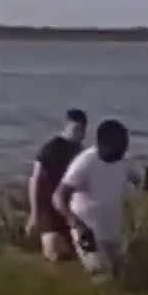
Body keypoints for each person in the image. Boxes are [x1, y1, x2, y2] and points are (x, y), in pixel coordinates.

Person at [52, 119, 148, 280]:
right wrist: (77, 225)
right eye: (120, 145)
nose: (124, 149)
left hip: (113, 233)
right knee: (104, 279)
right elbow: (59, 197)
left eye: (125, 144)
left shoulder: (123, 160)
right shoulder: (85, 162)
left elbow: (143, 186)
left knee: (123, 277)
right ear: (103, 144)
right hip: (88, 234)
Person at [27, 108, 88, 261]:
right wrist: (35, 214)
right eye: (76, 129)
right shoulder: (51, 148)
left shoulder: (81, 151)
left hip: (70, 210)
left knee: (74, 254)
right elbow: (35, 179)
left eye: (82, 129)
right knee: (55, 254)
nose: (79, 133)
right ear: (67, 127)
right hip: (49, 209)